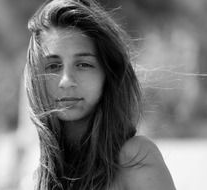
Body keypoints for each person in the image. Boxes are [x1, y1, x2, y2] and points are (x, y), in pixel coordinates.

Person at [24, 0, 176, 189]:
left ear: (108, 72)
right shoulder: (42, 175)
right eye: (53, 66)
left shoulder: (135, 159)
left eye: (83, 65)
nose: (66, 81)